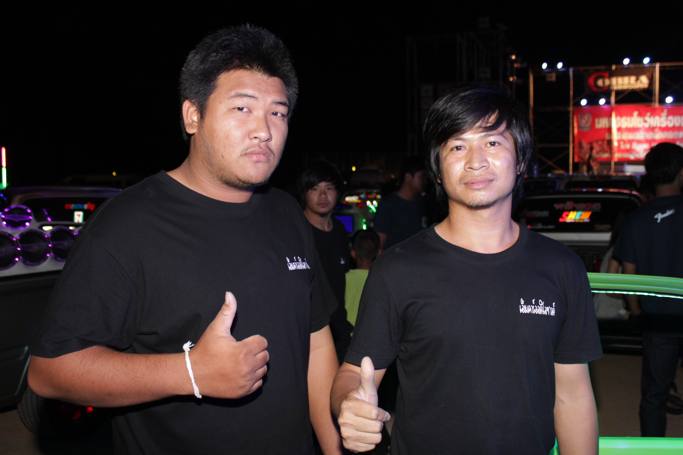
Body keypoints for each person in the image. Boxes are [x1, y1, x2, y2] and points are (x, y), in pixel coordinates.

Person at [27, 25, 342, 455]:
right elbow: (51, 371)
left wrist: (333, 446)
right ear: (193, 116)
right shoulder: (128, 225)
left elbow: (316, 338)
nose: (264, 131)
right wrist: (191, 372)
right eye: (242, 108)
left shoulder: (287, 212)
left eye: (278, 113)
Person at [331, 85, 602, 454]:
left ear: (520, 160)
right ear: (437, 170)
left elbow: (572, 394)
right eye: (457, 147)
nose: (475, 161)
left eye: (492, 143)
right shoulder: (397, 269)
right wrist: (349, 406)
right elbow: (352, 374)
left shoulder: (561, 268)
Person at [613, 142, 683, 436]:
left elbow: (628, 275)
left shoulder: (636, 220)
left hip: (657, 322)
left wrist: (636, 311)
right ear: (681, 173)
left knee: (654, 395)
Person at [299, 160, 353, 362]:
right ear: (305, 194)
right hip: (308, 333)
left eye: (329, 188)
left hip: (339, 330)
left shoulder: (340, 230)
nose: (323, 196)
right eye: (315, 189)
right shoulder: (296, 231)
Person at [373, 155, 428, 249]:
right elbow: (380, 242)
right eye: (421, 177)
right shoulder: (388, 205)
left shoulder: (422, 203)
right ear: (408, 177)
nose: (424, 181)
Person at [345, 229, 381, 327]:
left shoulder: (343, 279)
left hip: (347, 332)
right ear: (379, 253)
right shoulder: (381, 281)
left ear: (353, 253)